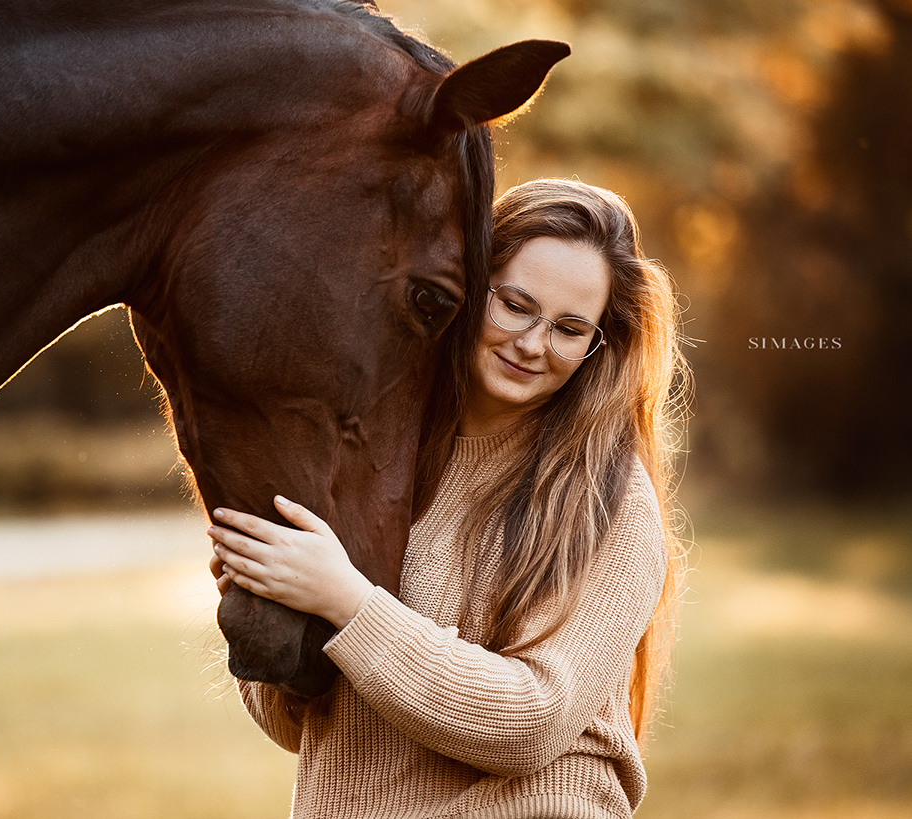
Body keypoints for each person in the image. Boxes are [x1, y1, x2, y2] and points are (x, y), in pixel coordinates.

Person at [207, 178, 688, 819]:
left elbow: (533, 723)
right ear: (467, 286)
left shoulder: (608, 499)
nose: (533, 344)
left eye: (571, 329)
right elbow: (307, 731)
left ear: (601, 343)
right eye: (514, 305)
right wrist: (272, 603)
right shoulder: (371, 452)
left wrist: (344, 599)